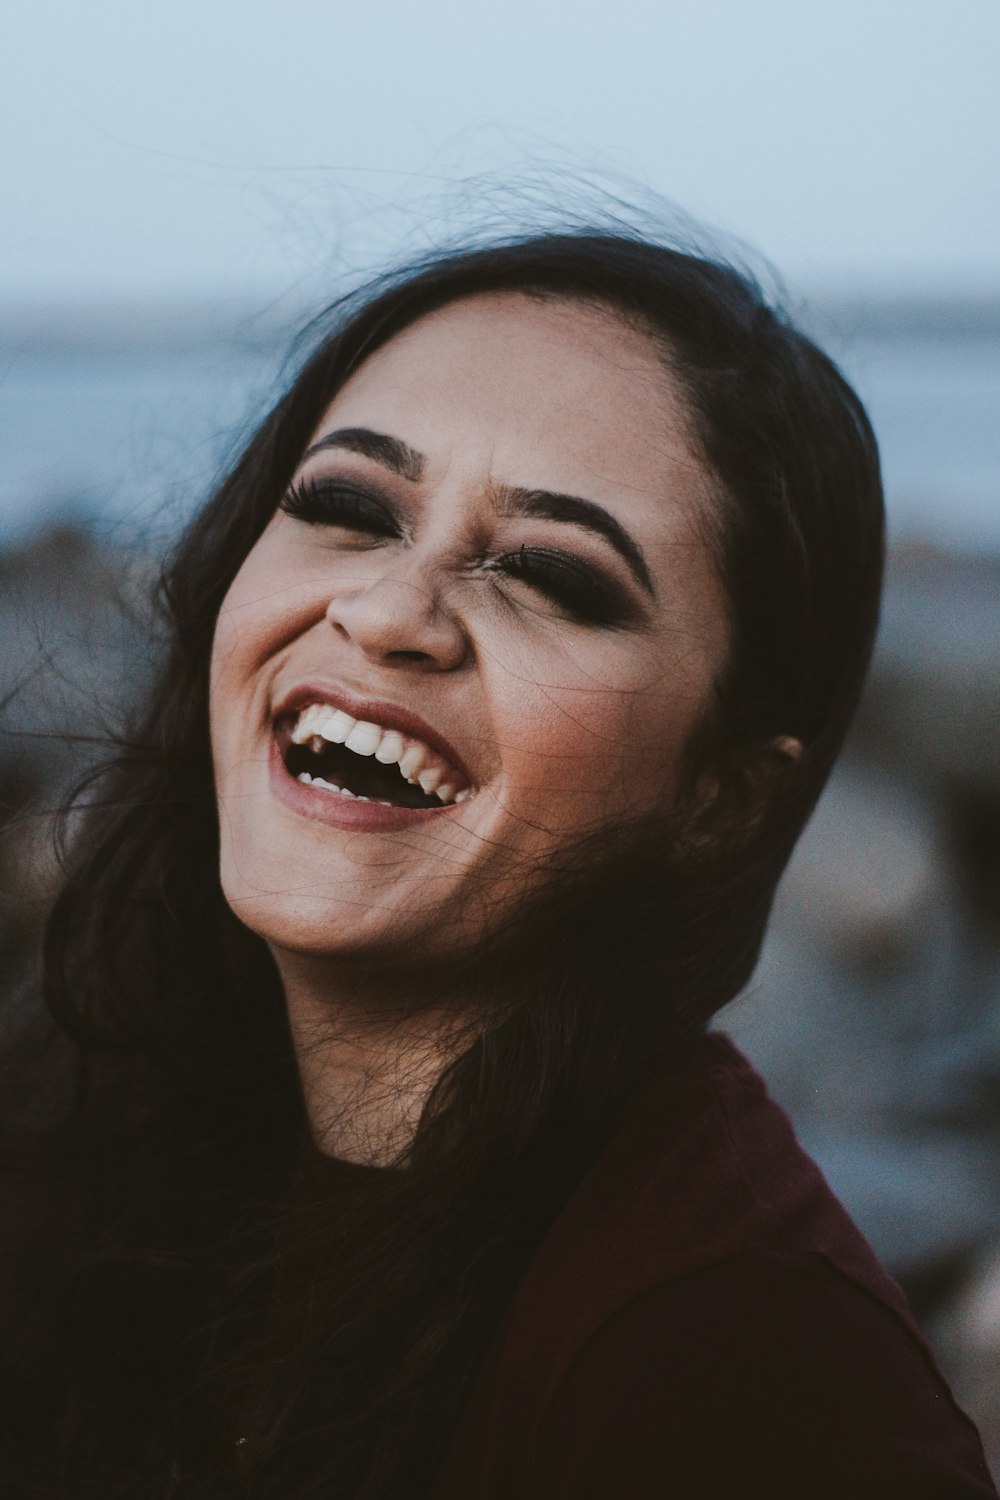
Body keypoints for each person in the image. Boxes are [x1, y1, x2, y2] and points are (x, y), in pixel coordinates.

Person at [1, 227, 995, 1499]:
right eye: (347, 507)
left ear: (720, 796)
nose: (387, 614)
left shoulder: (733, 1364)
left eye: (548, 575)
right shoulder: (106, 1124)